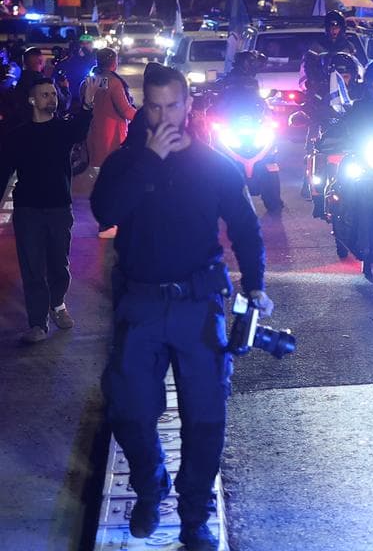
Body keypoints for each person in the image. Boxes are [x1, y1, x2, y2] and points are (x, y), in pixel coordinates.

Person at [90, 63, 269, 551]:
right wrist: (148, 160)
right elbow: (106, 212)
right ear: (143, 106)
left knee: (206, 417)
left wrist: (255, 287)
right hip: (141, 303)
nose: (164, 114)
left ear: (188, 105)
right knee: (128, 411)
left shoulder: (214, 164)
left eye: (173, 104)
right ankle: (150, 488)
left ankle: (195, 516)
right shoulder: (127, 161)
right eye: (154, 105)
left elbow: (246, 229)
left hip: (198, 302)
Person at [0, 78, 93, 344]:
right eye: (44, 94)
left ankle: (58, 304)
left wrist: (87, 104)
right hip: (28, 209)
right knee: (32, 267)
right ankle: (38, 322)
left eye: (53, 94)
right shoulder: (17, 136)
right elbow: (3, 171)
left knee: (58, 263)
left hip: (58, 208)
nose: (51, 98)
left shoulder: (61, 130)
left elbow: (80, 129)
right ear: (32, 100)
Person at [84, 48, 136, 238]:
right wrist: (146, 116)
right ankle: (107, 224)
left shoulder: (89, 80)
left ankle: (106, 222)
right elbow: (125, 110)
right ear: (113, 62)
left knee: (102, 182)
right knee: (114, 183)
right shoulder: (114, 83)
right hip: (112, 138)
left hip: (93, 136)